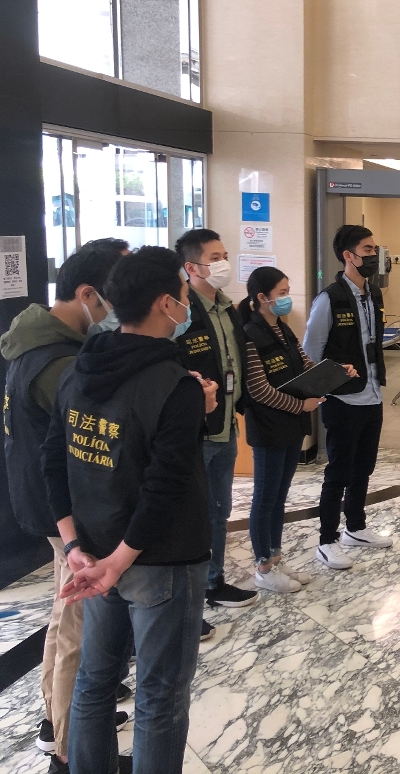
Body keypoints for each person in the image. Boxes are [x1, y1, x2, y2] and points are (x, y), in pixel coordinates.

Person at [43, 246, 216, 774]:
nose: (188, 304)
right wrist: (118, 563)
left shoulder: (80, 368)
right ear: (165, 303)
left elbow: (53, 460)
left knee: (95, 682)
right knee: (160, 697)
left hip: (96, 555)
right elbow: (164, 488)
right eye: (184, 295)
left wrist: (75, 547)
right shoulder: (176, 385)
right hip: (158, 561)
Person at [1, 242, 132, 773]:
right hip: (68, 513)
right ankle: (74, 754)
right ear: (87, 294)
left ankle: (58, 724)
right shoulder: (57, 362)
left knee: (64, 617)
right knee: (81, 628)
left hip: (45, 506)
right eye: (117, 294)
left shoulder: (33, 340)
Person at [240, 267, 350, 592]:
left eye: (288, 291)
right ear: (262, 297)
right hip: (268, 427)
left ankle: (275, 558)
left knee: (279, 496)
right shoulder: (249, 335)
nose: (287, 298)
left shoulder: (283, 329)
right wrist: (299, 406)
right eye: (282, 293)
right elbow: (258, 390)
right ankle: (263, 565)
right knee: (265, 497)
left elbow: (305, 366)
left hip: (291, 426)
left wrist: (336, 371)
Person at [174, 229, 257, 615]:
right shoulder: (181, 313)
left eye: (225, 255)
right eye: (214, 258)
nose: (224, 263)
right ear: (191, 267)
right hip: (196, 429)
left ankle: (213, 582)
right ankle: (187, 598)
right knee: (189, 513)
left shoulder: (228, 307)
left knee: (219, 509)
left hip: (226, 424)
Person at [303, 224, 392, 570]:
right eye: (368, 250)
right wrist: (335, 376)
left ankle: (355, 527)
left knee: (364, 468)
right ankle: (327, 540)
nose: (373, 255)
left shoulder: (374, 294)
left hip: (372, 394)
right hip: (343, 400)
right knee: (338, 471)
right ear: (348, 256)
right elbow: (311, 353)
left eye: (374, 249)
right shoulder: (329, 299)